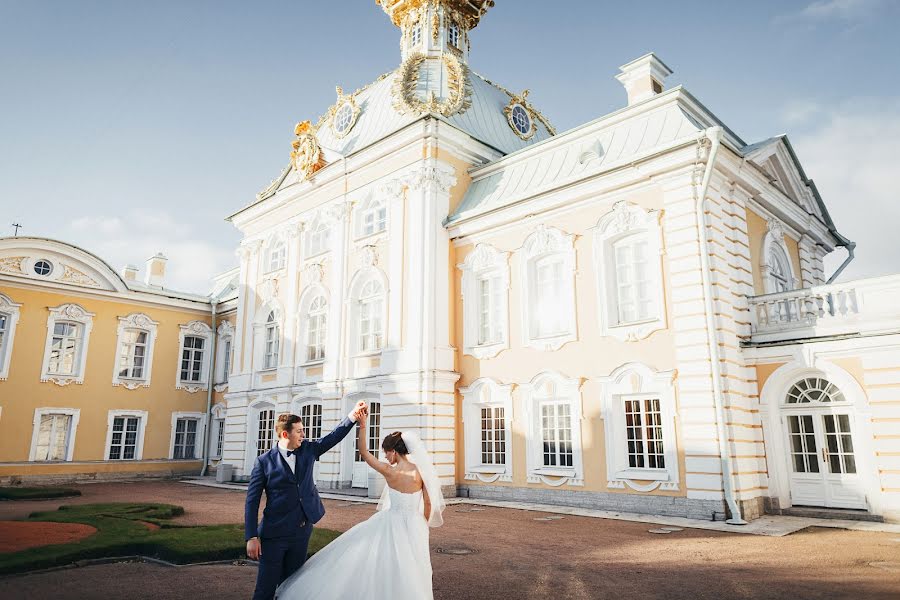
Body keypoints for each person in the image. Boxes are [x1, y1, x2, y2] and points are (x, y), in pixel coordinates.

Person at [275, 407, 446, 600]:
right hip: (415, 524)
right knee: (415, 567)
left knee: (381, 564)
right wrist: (421, 523)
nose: (386, 457)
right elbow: (429, 503)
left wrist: (363, 426)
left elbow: (364, 453)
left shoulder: (390, 471)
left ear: (394, 452)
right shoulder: (420, 471)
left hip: (391, 522)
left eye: (386, 453)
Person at [245, 401, 368, 600]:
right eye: (300, 431)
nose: (304, 435)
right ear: (285, 434)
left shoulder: (308, 450)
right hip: (273, 535)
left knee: (293, 587)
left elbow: (333, 437)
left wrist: (353, 416)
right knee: (265, 589)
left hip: (301, 532)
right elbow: (252, 501)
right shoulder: (263, 462)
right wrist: (251, 536)